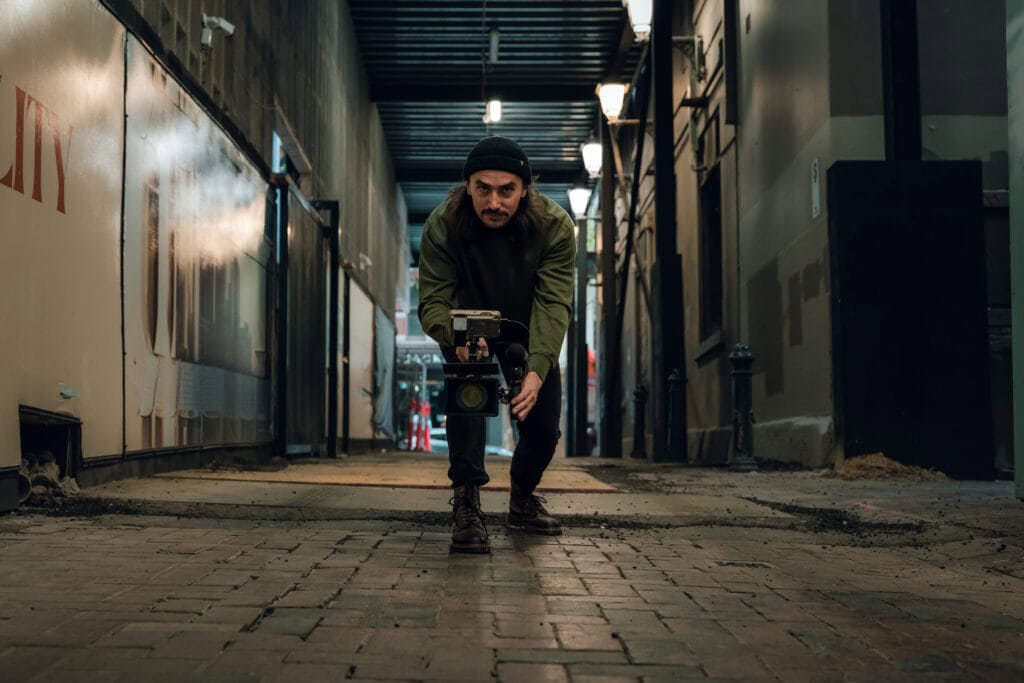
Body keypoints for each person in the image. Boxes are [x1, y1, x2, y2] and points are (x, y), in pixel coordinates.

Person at [418, 136, 576, 553]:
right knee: (468, 400)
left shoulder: (556, 227)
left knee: (542, 426)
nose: (494, 202)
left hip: (526, 330)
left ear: (524, 189)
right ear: (467, 187)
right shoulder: (442, 225)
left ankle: (522, 498)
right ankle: (467, 503)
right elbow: (433, 298)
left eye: (506, 190)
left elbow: (554, 302)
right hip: (466, 326)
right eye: (483, 189)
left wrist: (539, 369)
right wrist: (455, 339)